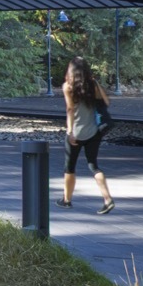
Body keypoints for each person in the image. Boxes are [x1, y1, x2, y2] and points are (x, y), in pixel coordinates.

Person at [61, 56, 116, 214]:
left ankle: (67, 200)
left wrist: (70, 132)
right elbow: (106, 103)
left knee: (69, 167)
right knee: (93, 165)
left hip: (76, 133)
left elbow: (70, 110)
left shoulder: (68, 87)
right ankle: (107, 199)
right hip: (94, 131)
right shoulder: (94, 84)